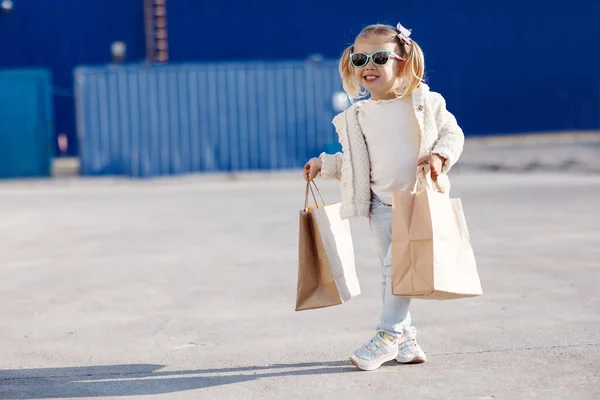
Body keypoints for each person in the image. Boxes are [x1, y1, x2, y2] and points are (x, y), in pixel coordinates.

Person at [303, 22, 465, 371]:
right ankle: (408, 340)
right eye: (359, 58)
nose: (368, 66)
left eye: (379, 57)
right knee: (393, 273)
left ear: (402, 63)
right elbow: (356, 161)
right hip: (379, 207)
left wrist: (440, 157)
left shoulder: (425, 103)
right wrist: (324, 164)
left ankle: (388, 335)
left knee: (397, 271)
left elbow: (453, 134)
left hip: (416, 201)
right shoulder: (356, 116)